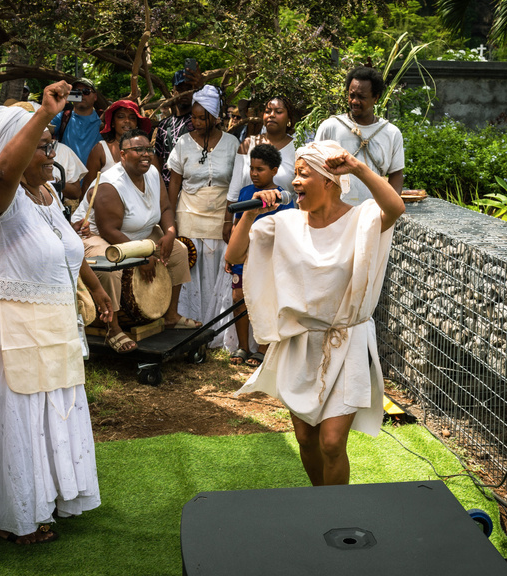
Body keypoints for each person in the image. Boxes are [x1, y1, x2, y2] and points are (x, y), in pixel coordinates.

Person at [0, 84, 105, 549]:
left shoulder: (47, 193)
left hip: (51, 319)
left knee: (50, 411)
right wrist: (44, 112)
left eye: (50, 143)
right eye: (42, 144)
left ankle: (42, 499)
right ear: (14, 148)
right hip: (6, 325)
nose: (50, 152)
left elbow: (67, 247)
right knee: (16, 416)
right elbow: (4, 169)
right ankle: (11, 513)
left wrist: (96, 286)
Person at [225, 140, 404, 486]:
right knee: (306, 439)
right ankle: (321, 500)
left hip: (348, 338)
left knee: (332, 442)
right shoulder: (286, 223)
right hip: (301, 342)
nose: (295, 182)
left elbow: (395, 208)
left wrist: (357, 166)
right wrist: (250, 214)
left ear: (328, 180)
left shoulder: (361, 219)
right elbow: (235, 254)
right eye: (296, 174)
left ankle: (336, 511)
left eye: (304, 175)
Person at [81, 128, 198, 353]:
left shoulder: (152, 172)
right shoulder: (109, 184)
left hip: (139, 232)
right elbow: (109, 230)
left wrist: (170, 233)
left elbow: (165, 207)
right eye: (138, 150)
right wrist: (141, 255)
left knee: (179, 250)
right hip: (98, 236)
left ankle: (171, 315)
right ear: (123, 155)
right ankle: (112, 328)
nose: (146, 154)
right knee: (110, 268)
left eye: (149, 149)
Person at [167, 85, 238, 347]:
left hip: (221, 217)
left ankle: (215, 331)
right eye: (193, 117)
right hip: (188, 214)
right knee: (191, 271)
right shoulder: (183, 143)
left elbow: (236, 183)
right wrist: (171, 219)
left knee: (217, 271)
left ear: (215, 117)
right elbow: (173, 183)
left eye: (201, 117)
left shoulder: (232, 144)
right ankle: (187, 327)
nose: (194, 122)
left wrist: (231, 220)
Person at [226, 143, 294, 367]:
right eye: (252, 168)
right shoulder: (246, 193)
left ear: (274, 170)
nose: (254, 173)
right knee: (239, 299)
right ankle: (243, 346)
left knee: (264, 299)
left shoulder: (283, 199)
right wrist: (230, 256)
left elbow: (285, 234)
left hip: (266, 261)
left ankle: (262, 349)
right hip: (241, 257)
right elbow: (237, 226)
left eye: (260, 169)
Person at [314, 66, 404, 205]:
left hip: (373, 214)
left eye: (361, 97)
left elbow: (396, 174)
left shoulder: (391, 133)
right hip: (334, 214)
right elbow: (314, 167)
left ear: (376, 98)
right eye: (352, 95)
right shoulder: (330, 126)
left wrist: (389, 207)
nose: (354, 101)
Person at [82, 99, 151, 191]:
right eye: (121, 117)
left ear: (137, 124)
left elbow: (155, 182)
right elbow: (87, 186)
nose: (127, 121)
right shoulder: (100, 149)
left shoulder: (147, 150)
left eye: (132, 118)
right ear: (113, 123)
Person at [153, 67, 201, 187]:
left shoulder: (201, 123)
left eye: (189, 89)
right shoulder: (164, 125)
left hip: (195, 188)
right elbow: (158, 160)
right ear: (172, 92)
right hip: (168, 190)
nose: (184, 93)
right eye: (179, 89)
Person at [50, 77, 102, 165]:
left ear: (95, 96)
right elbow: (41, 132)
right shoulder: (63, 117)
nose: (81, 95)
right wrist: (51, 107)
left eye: (86, 91)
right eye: (76, 91)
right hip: (67, 176)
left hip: (95, 177)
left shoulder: (102, 119)